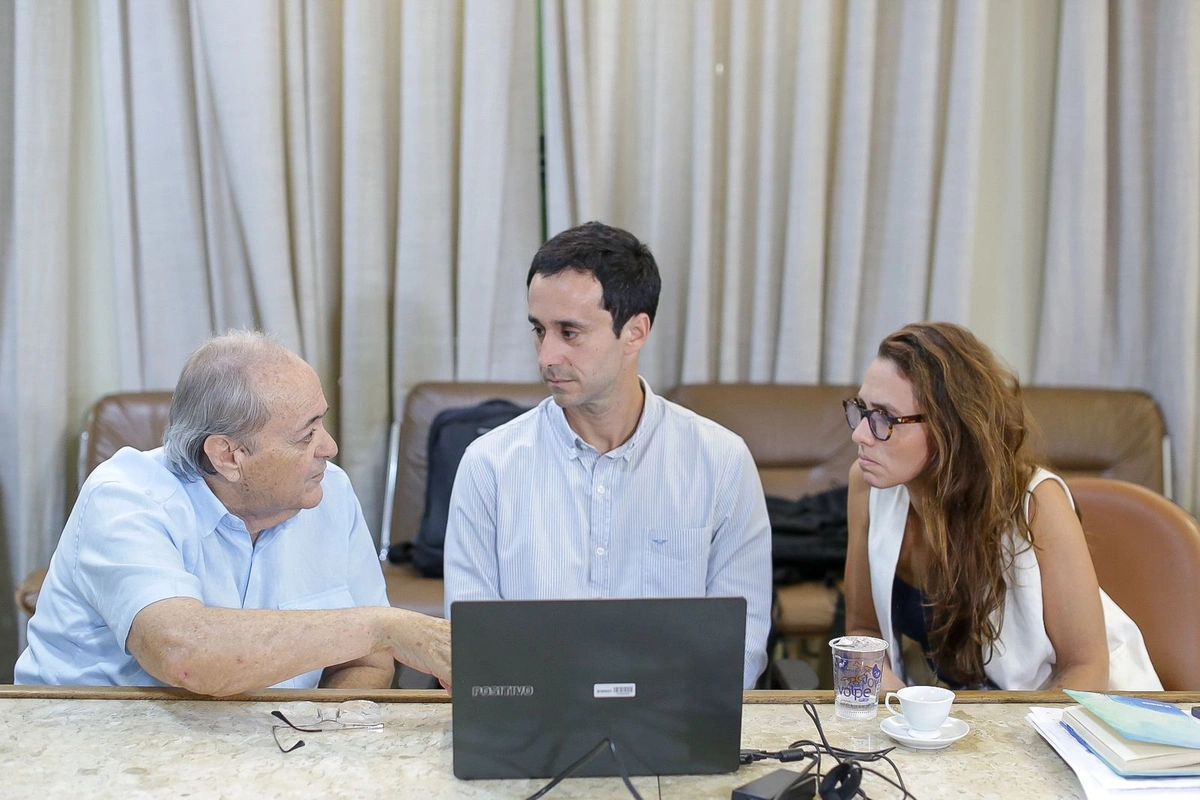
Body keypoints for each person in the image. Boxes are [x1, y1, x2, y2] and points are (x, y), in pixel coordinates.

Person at [15, 331, 450, 695]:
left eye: (323, 421)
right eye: (306, 435)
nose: (329, 448)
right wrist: (382, 626)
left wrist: (320, 738)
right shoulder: (125, 497)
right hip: (100, 745)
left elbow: (366, 662)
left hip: (269, 747)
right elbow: (185, 655)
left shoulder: (329, 489)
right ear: (228, 455)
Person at [442, 221, 772, 688]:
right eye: (539, 330)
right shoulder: (489, 466)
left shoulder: (720, 463)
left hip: (675, 730)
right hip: (532, 735)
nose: (546, 355)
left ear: (634, 332)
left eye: (569, 332)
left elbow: (741, 646)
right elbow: (474, 648)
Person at [842, 321, 1161, 691]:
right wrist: (898, 707)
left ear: (951, 426)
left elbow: (1086, 669)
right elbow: (862, 632)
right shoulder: (866, 485)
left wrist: (1010, 744)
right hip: (980, 719)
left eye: (884, 418)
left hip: (1089, 718)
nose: (859, 434)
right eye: (861, 410)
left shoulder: (1036, 503)